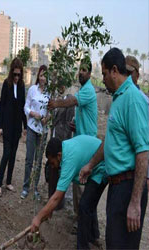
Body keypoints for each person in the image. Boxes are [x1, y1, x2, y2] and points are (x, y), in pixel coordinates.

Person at [80, 48, 149, 249]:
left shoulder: (133, 99)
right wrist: (91, 164)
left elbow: (143, 151)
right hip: (117, 186)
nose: (102, 80)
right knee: (114, 243)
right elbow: (110, 141)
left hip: (128, 187)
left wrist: (135, 202)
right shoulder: (119, 98)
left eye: (103, 73)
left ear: (114, 71)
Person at [30, 136, 107, 249]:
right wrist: (48, 210)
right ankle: (92, 236)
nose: (52, 166)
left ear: (59, 155)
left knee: (84, 206)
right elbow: (58, 194)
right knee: (88, 203)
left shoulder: (68, 160)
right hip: (96, 163)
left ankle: (83, 246)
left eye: (52, 162)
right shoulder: (64, 147)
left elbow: (57, 197)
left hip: (102, 166)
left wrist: (38, 217)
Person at [48, 58, 97, 217]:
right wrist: (76, 124)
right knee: (78, 186)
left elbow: (72, 101)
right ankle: (79, 219)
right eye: (80, 70)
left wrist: (56, 103)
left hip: (87, 147)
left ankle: (84, 224)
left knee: (83, 187)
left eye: (84, 70)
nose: (81, 73)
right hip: (81, 141)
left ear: (90, 73)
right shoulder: (83, 90)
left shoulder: (88, 90)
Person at [0, 58, 27, 197]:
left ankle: (8, 182)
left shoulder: (21, 86)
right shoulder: (6, 84)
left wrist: (25, 126)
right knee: (6, 154)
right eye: (14, 74)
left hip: (17, 128)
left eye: (19, 75)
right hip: (7, 126)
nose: (16, 77)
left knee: (13, 155)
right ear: (11, 73)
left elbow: (23, 107)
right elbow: (2, 106)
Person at [20, 65, 50, 201]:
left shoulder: (50, 92)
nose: (43, 78)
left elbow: (52, 111)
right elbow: (25, 106)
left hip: (43, 131)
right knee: (29, 159)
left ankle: (35, 188)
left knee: (38, 160)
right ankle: (26, 187)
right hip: (32, 127)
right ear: (38, 76)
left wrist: (47, 118)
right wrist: (32, 113)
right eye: (41, 75)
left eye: (45, 75)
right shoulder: (32, 90)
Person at [44, 85, 75, 208]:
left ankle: (59, 202)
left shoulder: (69, 100)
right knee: (52, 171)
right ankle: (52, 199)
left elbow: (69, 124)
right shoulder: (55, 98)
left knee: (61, 173)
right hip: (54, 139)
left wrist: (64, 141)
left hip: (62, 142)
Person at [126, 55, 149, 206]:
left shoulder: (142, 101)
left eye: (130, 73)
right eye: (124, 72)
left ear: (137, 75)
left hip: (138, 173)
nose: (127, 77)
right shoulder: (122, 98)